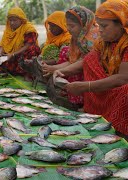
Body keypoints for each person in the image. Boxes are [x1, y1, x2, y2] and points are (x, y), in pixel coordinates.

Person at [53, 0, 128, 135]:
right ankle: (98, 111)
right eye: (99, 25)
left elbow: (123, 78)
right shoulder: (103, 42)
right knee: (90, 60)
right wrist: (61, 71)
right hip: (111, 85)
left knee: (126, 91)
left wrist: (85, 86)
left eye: (104, 26)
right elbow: (84, 61)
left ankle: (120, 128)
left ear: (122, 24)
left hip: (122, 87)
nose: (100, 30)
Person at [43, 6, 99, 107]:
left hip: (95, 78)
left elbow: (84, 62)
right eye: (67, 25)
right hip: (80, 67)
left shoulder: (93, 38)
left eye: (72, 26)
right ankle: (74, 98)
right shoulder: (76, 38)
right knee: (66, 53)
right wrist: (53, 68)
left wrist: (60, 70)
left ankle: (83, 101)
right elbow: (72, 61)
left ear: (84, 25)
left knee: (75, 68)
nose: (68, 29)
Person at [0, 7, 40, 75]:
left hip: (20, 54)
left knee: (33, 49)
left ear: (21, 20)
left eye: (15, 20)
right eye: (10, 20)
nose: (12, 23)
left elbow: (29, 45)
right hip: (9, 55)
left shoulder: (28, 29)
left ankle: (26, 74)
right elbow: (3, 44)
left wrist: (12, 54)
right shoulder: (8, 29)